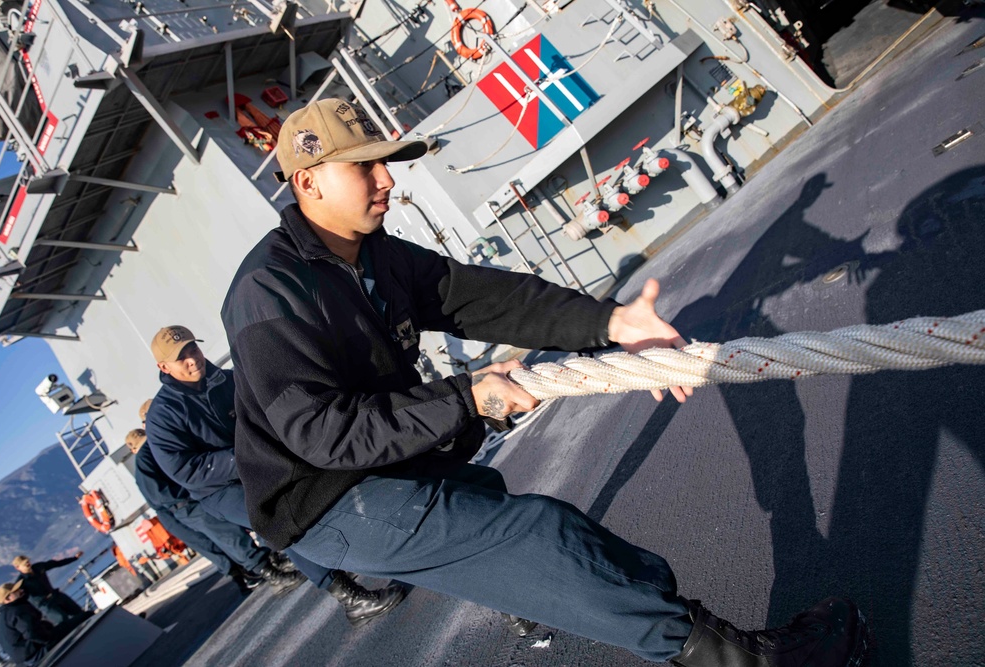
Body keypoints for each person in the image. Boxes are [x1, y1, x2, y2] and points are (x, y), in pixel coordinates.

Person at [218, 97, 871, 666]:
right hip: (325, 496)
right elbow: (323, 433)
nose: (386, 178)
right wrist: (467, 397)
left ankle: (645, 621)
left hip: (382, 465)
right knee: (541, 538)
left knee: (528, 522)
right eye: (365, 166)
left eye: (383, 161)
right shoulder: (268, 293)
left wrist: (612, 323)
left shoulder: (376, 253)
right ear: (308, 181)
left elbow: (484, 298)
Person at [142, 334, 406, 627]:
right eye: (181, 357)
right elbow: (185, 469)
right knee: (278, 521)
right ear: (164, 367)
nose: (192, 358)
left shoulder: (228, 381)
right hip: (219, 489)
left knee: (320, 489)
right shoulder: (161, 417)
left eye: (193, 347)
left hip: (259, 462)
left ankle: (364, 546)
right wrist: (245, 455)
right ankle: (351, 599)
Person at [126, 428, 287, 595]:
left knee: (229, 537)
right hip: (189, 504)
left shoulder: (146, 458)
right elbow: (165, 490)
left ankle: (268, 568)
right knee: (231, 535)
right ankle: (273, 575)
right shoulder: (150, 453)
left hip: (187, 506)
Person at [0, 581, 69, 666]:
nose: (21, 590)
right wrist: (51, 638)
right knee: (78, 620)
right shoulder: (17, 611)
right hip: (36, 654)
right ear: (8, 599)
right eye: (16, 591)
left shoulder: (1, 620)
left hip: (24, 660)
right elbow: (33, 634)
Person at [12, 554, 89, 626]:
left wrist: (74, 558)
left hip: (56, 595)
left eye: (27, 561)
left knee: (79, 612)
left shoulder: (38, 567)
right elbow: (19, 599)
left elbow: (55, 563)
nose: (27, 564)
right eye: (24, 564)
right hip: (46, 605)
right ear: (18, 567)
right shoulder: (20, 583)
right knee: (63, 621)